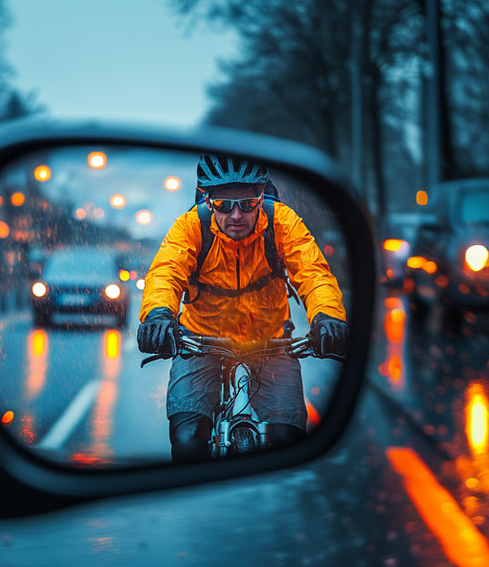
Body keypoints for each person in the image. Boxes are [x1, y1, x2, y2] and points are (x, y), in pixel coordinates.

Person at [137, 153, 349, 462]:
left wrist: (327, 317)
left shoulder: (282, 222)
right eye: (224, 205)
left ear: (262, 196)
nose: (237, 215)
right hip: (200, 342)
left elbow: (313, 273)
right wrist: (158, 315)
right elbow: (165, 273)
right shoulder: (190, 227)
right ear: (207, 201)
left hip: (272, 341)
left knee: (287, 439)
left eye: (248, 203)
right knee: (188, 439)